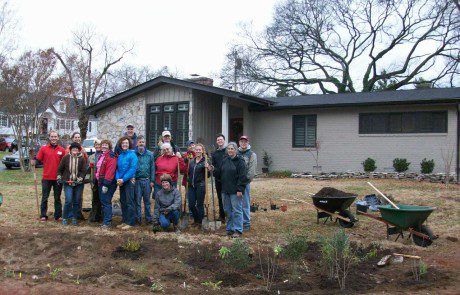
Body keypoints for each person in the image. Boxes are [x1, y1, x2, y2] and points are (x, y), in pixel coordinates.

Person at [215, 142, 248, 238]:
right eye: (228, 149)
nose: (230, 150)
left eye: (232, 149)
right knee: (228, 211)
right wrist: (212, 169)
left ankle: (238, 230)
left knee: (237, 210)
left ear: (236, 150)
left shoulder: (240, 161)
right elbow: (219, 173)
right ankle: (229, 229)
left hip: (235, 191)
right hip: (225, 190)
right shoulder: (225, 160)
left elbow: (243, 177)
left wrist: (240, 189)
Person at [32, 131, 66, 222]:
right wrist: (34, 161)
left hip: (58, 178)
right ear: (49, 138)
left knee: (57, 198)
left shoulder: (62, 150)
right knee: (44, 197)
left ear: (58, 138)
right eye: (52, 136)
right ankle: (43, 215)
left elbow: (65, 164)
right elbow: (38, 159)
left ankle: (58, 216)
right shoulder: (43, 149)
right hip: (46, 177)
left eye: (55, 136)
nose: (53, 138)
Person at [57, 142, 87, 225]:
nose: (75, 150)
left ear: (78, 150)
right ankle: (65, 217)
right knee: (68, 200)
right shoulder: (65, 158)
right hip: (68, 182)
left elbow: (83, 170)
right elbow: (60, 169)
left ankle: (74, 217)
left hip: (78, 183)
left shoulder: (82, 159)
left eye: (76, 149)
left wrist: (80, 178)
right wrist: (59, 177)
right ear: (70, 150)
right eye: (73, 149)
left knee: (77, 201)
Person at [116, 136, 138, 230]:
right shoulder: (120, 156)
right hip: (121, 182)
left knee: (130, 202)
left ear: (129, 145)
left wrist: (123, 179)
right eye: (123, 143)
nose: (125, 144)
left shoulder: (132, 155)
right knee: (123, 201)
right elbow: (117, 168)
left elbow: (132, 169)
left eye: (126, 143)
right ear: (120, 145)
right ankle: (124, 220)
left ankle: (130, 222)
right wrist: (118, 179)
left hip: (129, 181)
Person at [187, 143, 212, 227]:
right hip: (191, 186)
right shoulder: (192, 161)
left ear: (202, 151)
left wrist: (208, 169)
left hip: (200, 186)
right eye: (196, 150)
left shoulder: (205, 161)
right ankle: (196, 219)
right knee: (191, 204)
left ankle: (200, 222)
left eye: (199, 150)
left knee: (199, 204)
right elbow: (189, 173)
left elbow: (208, 175)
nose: (197, 151)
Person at [237, 135, 257, 231]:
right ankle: (238, 221)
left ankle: (246, 224)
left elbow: (251, 172)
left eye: (245, 142)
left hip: (244, 183)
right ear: (239, 143)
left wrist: (244, 182)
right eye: (242, 141)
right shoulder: (236, 153)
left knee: (245, 203)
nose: (243, 143)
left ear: (248, 143)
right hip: (235, 183)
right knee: (237, 203)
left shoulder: (252, 154)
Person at [96, 140, 118, 229]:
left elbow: (110, 171)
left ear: (109, 146)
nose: (104, 146)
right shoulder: (102, 155)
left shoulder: (111, 156)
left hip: (108, 183)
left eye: (106, 145)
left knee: (106, 201)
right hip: (101, 181)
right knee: (103, 201)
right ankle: (105, 220)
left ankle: (107, 222)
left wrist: (106, 184)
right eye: (103, 145)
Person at [134, 135, 155, 225]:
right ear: (137, 144)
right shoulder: (133, 154)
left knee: (147, 201)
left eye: (143, 142)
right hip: (137, 181)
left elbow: (152, 168)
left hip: (147, 181)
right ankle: (138, 218)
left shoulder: (150, 154)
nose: (141, 144)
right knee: (137, 201)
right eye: (140, 142)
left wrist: (152, 181)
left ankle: (148, 219)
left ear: (145, 143)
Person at [211, 133, 227, 223]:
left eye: (221, 139)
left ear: (224, 140)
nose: (219, 141)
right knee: (220, 198)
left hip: (227, 179)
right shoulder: (215, 153)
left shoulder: (227, 151)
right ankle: (222, 216)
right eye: (218, 140)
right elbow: (213, 165)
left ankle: (228, 215)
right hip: (218, 179)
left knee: (227, 198)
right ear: (217, 142)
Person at [88, 139, 103, 222]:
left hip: (103, 181)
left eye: (99, 145)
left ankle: (102, 215)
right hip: (94, 181)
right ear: (94, 146)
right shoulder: (91, 157)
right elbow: (88, 170)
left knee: (102, 199)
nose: (98, 146)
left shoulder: (104, 156)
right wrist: (88, 180)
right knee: (95, 199)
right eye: (96, 145)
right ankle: (94, 216)